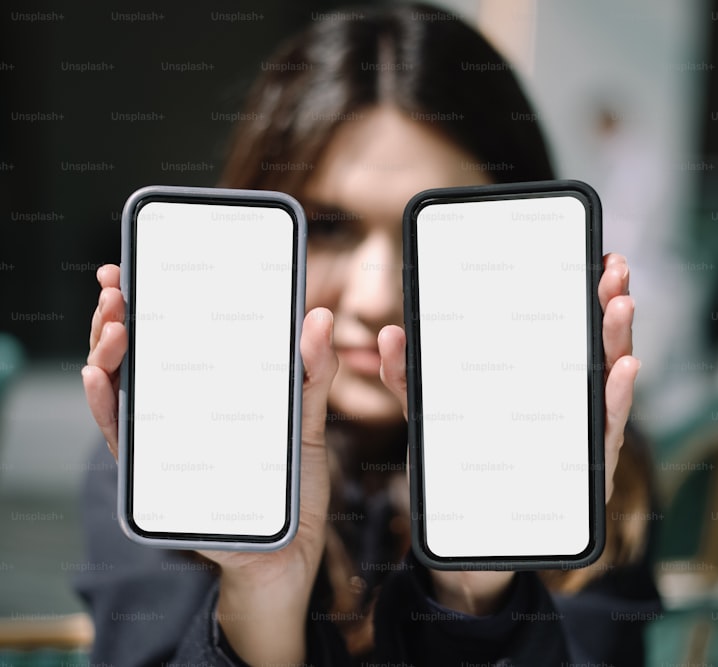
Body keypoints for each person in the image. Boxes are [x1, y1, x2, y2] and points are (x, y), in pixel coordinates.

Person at [78, 4, 660, 665]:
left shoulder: (583, 457)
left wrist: (483, 590)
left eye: (430, 229)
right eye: (328, 225)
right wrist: (258, 603)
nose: (378, 294)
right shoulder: (172, 449)